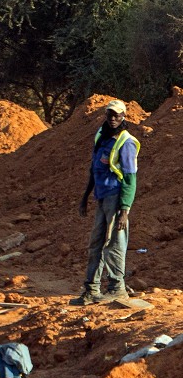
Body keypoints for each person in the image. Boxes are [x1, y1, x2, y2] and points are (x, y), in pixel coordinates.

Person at [71, 99, 140, 305]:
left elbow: (130, 178)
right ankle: (92, 289)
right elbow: (94, 170)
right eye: (110, 114)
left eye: (117, 115)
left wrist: (125, 209)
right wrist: (85, 197)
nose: (112, 118)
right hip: (101, 197)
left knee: (115, 243)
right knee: (96, 244)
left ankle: (117, 287)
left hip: (116, 198)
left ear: (123, 117)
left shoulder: (125, 142)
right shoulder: (101, 137)